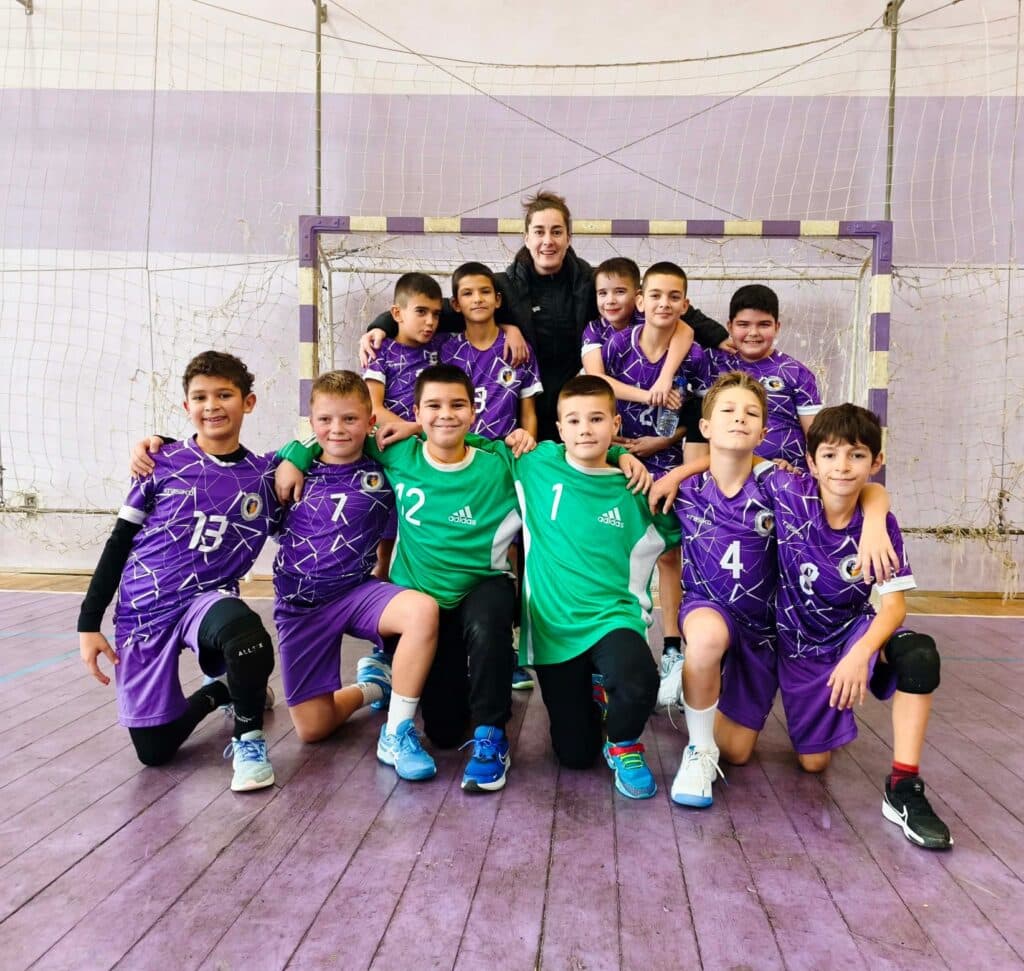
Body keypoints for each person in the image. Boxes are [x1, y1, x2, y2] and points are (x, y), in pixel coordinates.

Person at [276, 364, 528, 794]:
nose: (445, 414)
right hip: (419, 597)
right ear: (415, 411)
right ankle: (385, 684)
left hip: (479, 588)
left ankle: (491, 733)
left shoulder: (500, 461)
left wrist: (620, 455)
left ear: (474, 411)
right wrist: (294, 455)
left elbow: (567, 455)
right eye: (433, 406)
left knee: (490, 621)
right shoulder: (396, 453)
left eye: (457, 405)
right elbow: (338, 433)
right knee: (443, 731)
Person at [649, 373, 896, 809]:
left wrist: (876, 519)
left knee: (745, 754)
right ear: (705, 427)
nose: (738, 419)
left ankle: (704, 694)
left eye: (750, 413)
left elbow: (864, 489)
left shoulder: (778, 485)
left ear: (763, 433)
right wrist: (679, 470)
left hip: (766, 630)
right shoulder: (683, 491)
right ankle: (699, 748)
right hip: (708, 607)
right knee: (704, 641)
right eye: (727, 411)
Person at [361, 190, 729, 443]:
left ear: (569, 237)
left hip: (578, 402)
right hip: (527, 402)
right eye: (539, 232)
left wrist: (718, 335)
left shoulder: (591, 282)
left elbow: (660, 300)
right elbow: (445, 308)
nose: (547, 241)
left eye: (556, 232)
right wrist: (382, 325)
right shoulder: (503, 286)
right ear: (526, 237)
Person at [78, 351, 279, 792]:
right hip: (144, 609)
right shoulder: (159, 464)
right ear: (187, 406)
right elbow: (118, 542)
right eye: (200, 397)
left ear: (248, 402)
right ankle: (221, 690)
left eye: (224, 395)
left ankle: (248, 741)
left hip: (205, 600)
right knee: (154, 751)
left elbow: (325, 443)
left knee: (247, 638)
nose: (212, 406)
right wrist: (88, 624)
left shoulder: (265, 476)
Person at [473, 375, 677, 799]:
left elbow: (680, 529)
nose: (585, 429)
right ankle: (597, 692)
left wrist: (629, 459)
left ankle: (623, 744)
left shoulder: (635, 487)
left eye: (597, 419)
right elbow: (463, 444)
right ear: (559, 429)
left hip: (612, 616)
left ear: (615, 424)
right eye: (574, 420)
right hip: (555, 627)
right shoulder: (534, 464)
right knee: (576, 754)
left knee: (639, 678)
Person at [765, 404, 951, 849]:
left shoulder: (882, 527)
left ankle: (903, 786)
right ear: (811, 462)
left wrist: (859, 655)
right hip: (798, 643)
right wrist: (675, 475)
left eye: (857, 455)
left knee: (919, 656)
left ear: (876, 461)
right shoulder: (789, 491)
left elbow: (894, 608)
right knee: (812, 763)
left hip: (851, 633)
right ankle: (826, 717)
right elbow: (733, 455)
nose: (843, 466)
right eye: (830, 455)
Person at [271, 371, 439, 780]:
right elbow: (229, 466)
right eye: (325, 420)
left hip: (357, 592)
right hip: (301, 606)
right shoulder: (286, 468)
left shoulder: (386, 464)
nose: (337, 429)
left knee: (422, 611)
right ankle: (375, 686)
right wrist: (157, 445)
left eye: (349, 419)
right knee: (313, 729)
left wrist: (415, 425)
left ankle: (396, 732)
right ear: (311, 422)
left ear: (369, 421)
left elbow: (444, 440)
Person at [601, 261, 705, 673]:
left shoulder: (695, 356)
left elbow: (700, 414)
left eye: (674, 297)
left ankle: (672, 646)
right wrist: (614, 445)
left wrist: (663, 441)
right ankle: (619, 638)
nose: (664, 303)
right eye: (656, 295)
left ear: (685, 304)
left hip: (666, 464)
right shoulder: (617, 345)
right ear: (641, 301)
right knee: (619, 553)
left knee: (668, 555)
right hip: (619, 464)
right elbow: (598, 392)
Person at [694, 284, 822, 470]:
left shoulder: (796, 372)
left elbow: (816, 438)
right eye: (743, 324)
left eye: (764, 324)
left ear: (777, 327)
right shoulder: (709, 363)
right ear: (729, 326)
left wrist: (800, 474)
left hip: (785, 475)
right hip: (722, 473)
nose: (753, 333)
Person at [580, 256, 693, 413]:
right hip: (613, 407)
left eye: (620, 292)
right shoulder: (594, 329)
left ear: (638, 296)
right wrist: (652, 396)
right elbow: (596, 379)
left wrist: (665, 379)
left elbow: (686, 331)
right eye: (602, 293)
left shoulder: (645, 315)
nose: (610, 300)